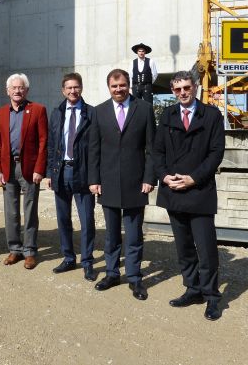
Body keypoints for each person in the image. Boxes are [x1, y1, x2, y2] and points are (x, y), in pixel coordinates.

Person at [153, 70, 225, 320]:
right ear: (173, 91)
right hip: (174, 190)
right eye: (177, 89)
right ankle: (192, 288)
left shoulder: (212, 115)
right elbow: (157, 151)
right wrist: (163, 176)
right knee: (183, 248)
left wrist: (194, 178)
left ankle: (212, 296)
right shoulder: (168, 115)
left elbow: (216, 152)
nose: (182, 92)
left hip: (199, 190)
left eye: (186, 87)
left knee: (206, 249)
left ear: (195, 87)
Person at [88, 69, 155, 300]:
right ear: (109, 87)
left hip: (136, 183)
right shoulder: (99, 112)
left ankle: (135, 278)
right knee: (111, 234)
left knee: (134, 234)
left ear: (129, 85)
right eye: (115, 86)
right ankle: (112, 273)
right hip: (107, 183)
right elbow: (94, 149)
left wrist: (149, 178)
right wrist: (93, 180)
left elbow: (151, 149)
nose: (119, 89)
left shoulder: (144, 109)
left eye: (123, 85)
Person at [0, 73, 48, 270]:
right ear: (7, 91)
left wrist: (40, 168)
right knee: (11, 212)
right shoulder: (0, 113)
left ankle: (30, 251)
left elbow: (43, 142)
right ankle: (15, 249)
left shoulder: (38, 110)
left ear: (27, 90)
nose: (17, 91)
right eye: (14, 88)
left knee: (30, 211)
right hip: (8, 169)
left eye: (21, 87)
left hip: (30, 170)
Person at [46, 73, 97, 281]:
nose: (72, 91)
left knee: (87, 219)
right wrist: (50, 172)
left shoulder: (92, 113)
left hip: (83, 172)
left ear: (81, 88)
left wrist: (95, 176)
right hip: (61, 172)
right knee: (63, 219)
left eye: (76, 87)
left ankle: (87, 261)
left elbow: (96, 148)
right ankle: (68, 257)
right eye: (68, 88)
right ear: (63, 90)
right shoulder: (57, 113)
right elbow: (51, 145)